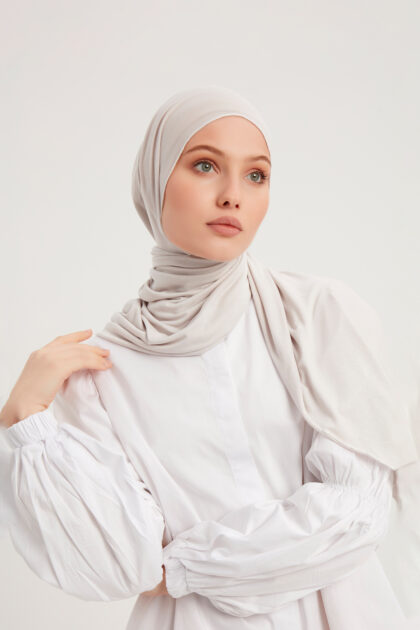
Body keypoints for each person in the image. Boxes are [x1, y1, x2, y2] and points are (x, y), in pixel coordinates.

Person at [0, 85, 418, 630]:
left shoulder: (319, 316)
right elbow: (121, 564)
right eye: (204, 166)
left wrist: (182, 567)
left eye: (256, 175)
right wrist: (25, 421)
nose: (232, 196)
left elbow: (355, 515)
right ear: (154, 179)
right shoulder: (101, 368)